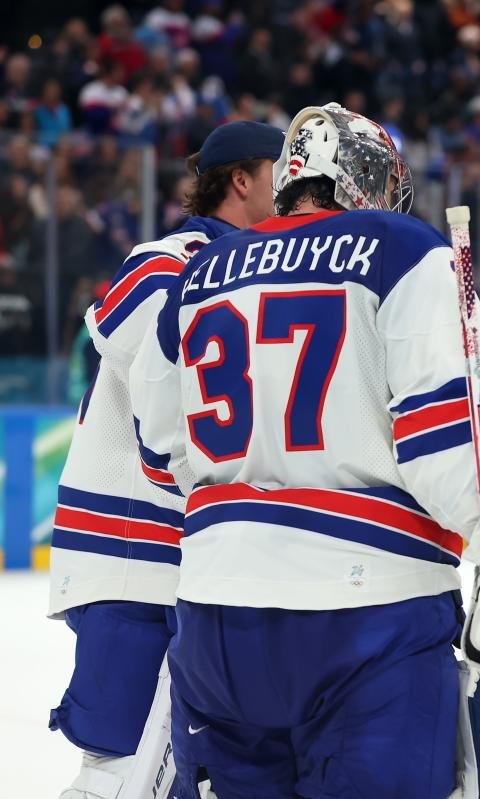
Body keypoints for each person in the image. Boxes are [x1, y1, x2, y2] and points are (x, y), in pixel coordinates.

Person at [127, 103, 480, 799]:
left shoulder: (200, 269)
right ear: (364, 177)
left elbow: (162, 448)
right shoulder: (402, 246)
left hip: (214, 618)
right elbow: (449, 440)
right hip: (367, 617)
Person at [46, 119, 284, 799]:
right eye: (280, 172)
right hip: (135, 560)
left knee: (199, 777)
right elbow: (165, 416)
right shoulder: (167, 261)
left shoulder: (268, 271)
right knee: (115, 773)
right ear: (240, 179)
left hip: (201, 564)